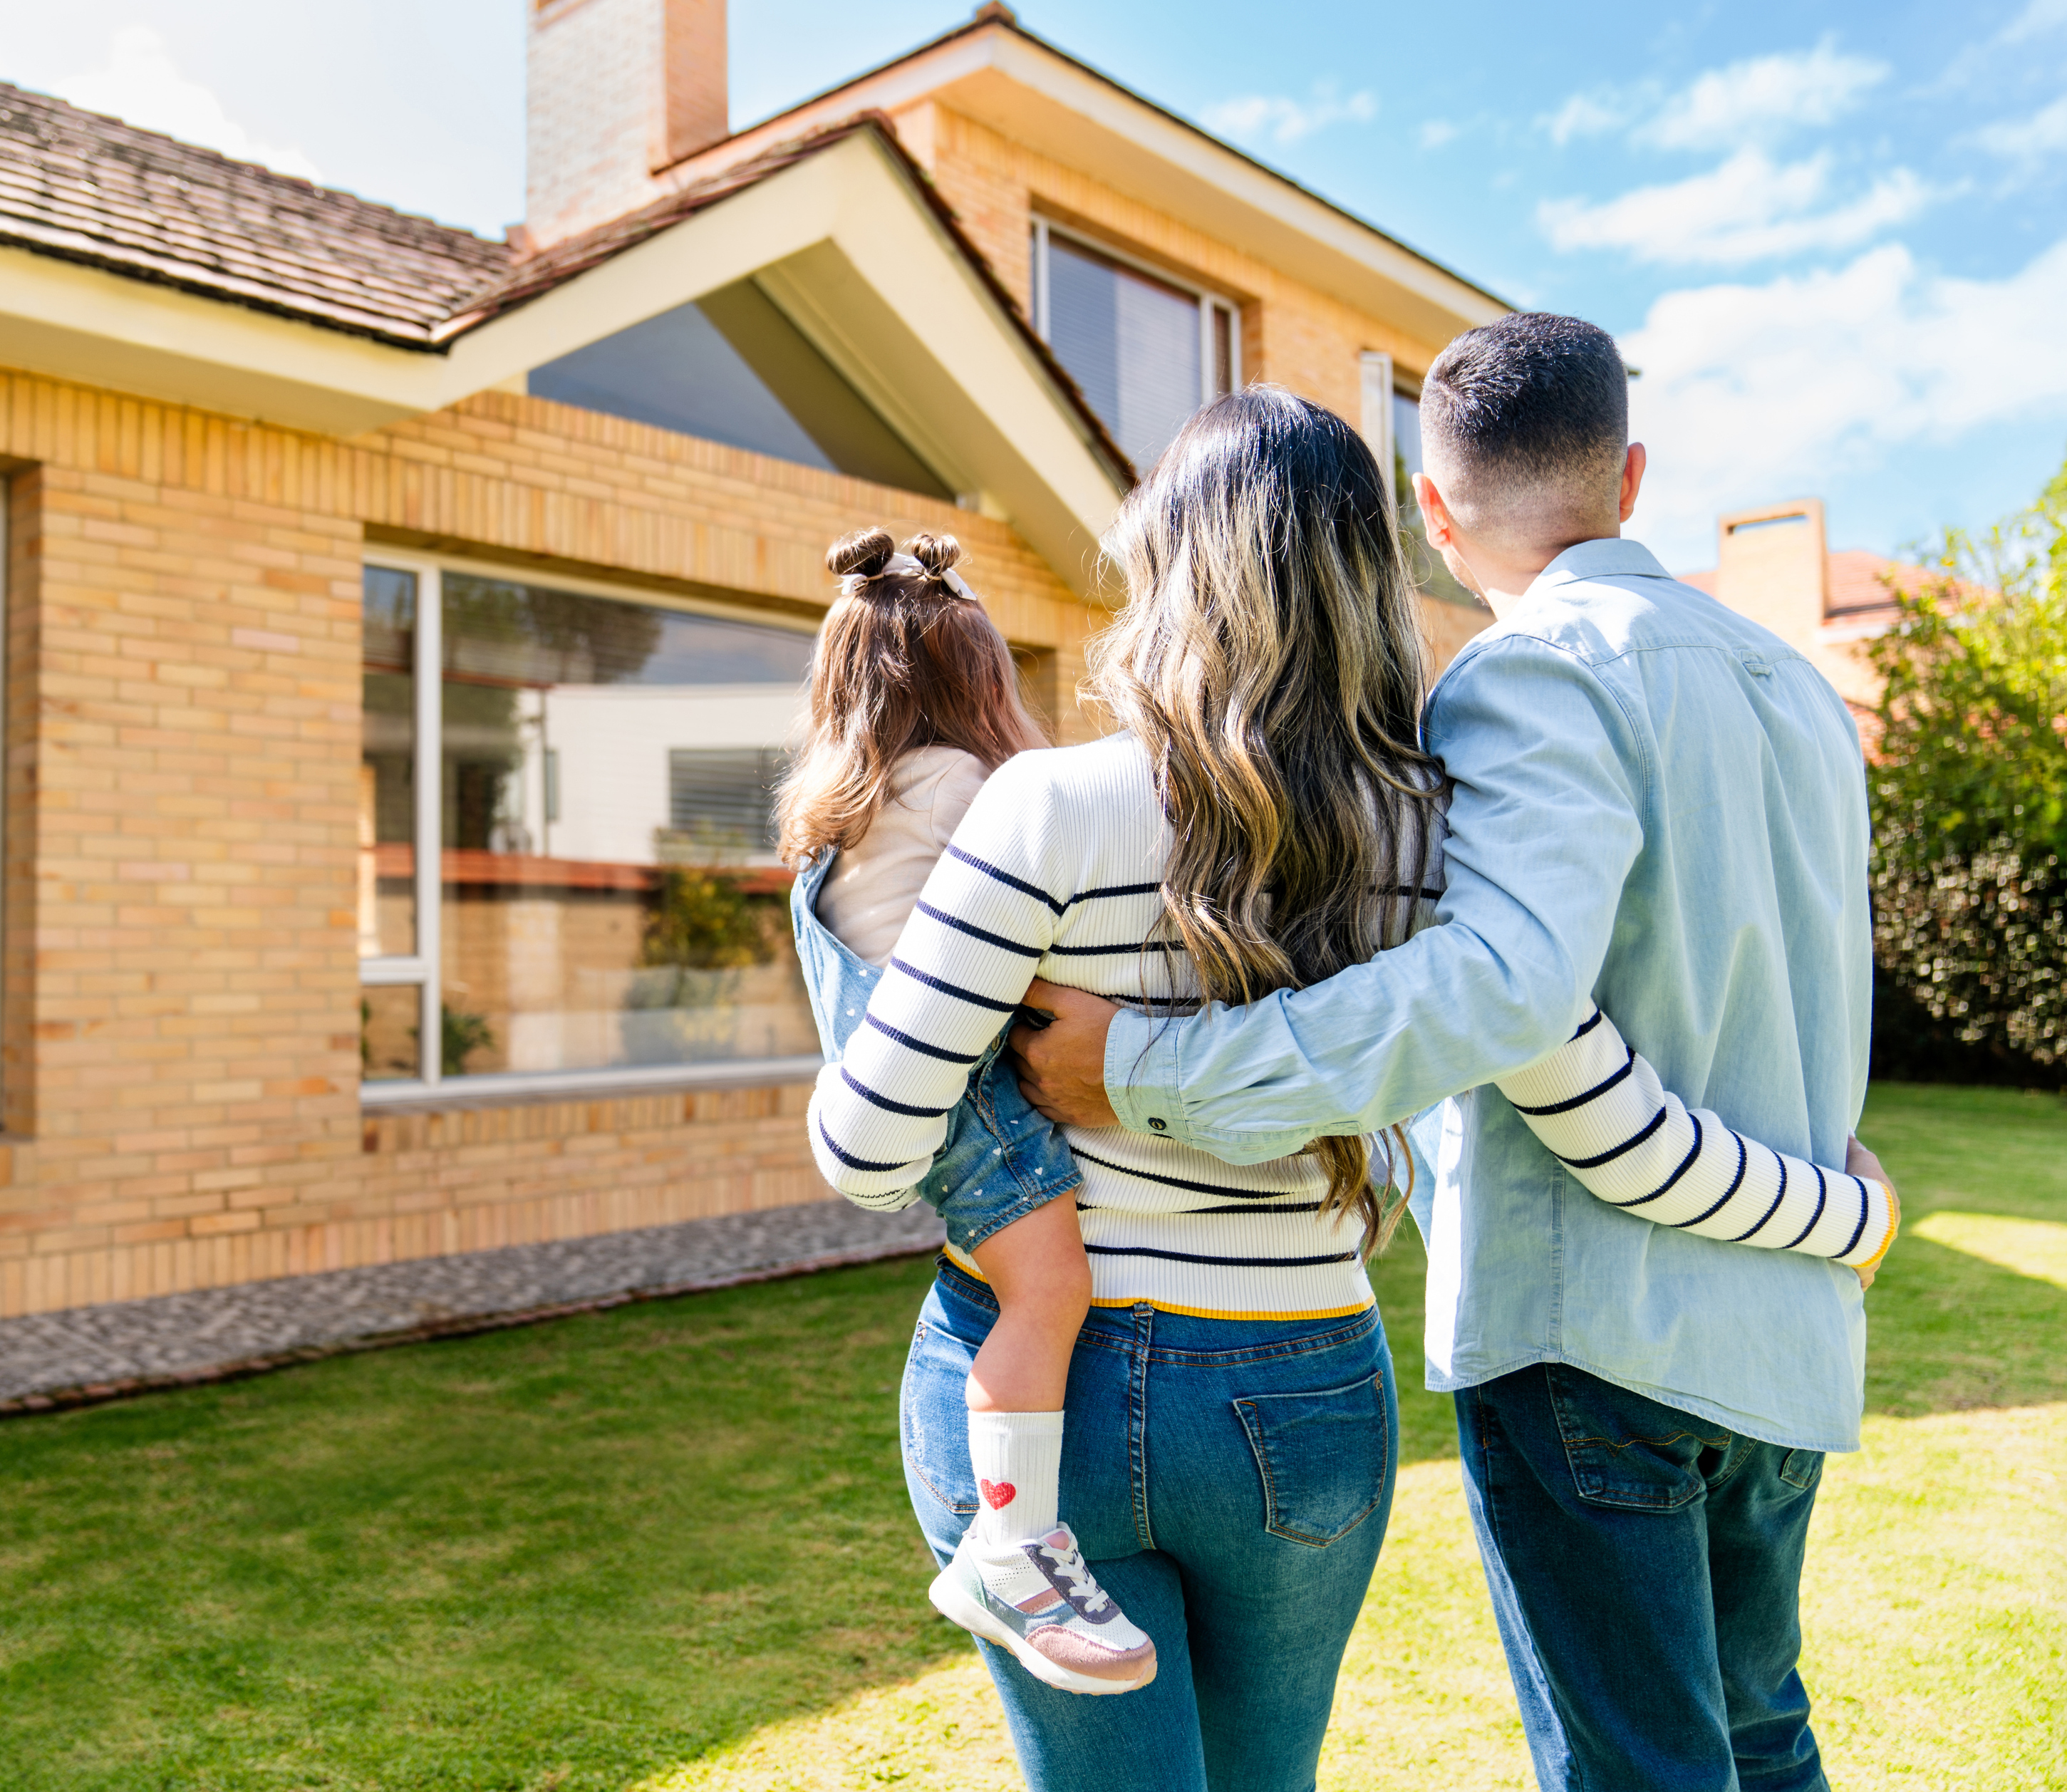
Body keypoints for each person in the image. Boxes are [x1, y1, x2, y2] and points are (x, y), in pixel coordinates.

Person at [801, 387, 1892, 1789]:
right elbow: (1575, 1087)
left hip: (1041, 1395)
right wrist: (1835, 1212)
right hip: (1302, 1385)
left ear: (1168, 565)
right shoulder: (1442, 834)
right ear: (1380, 566)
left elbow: (866, 1143)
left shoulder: (1042, 807)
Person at [777, 524, 1154, 1695]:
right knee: (1052, 1288)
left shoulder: (844, 808)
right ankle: (1011, 1543)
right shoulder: (966, 788)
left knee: (1019, 1283)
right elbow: (1017, 936)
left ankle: (1010, 1532)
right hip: (966, 1095)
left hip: (906, 1091)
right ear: (974, 678)